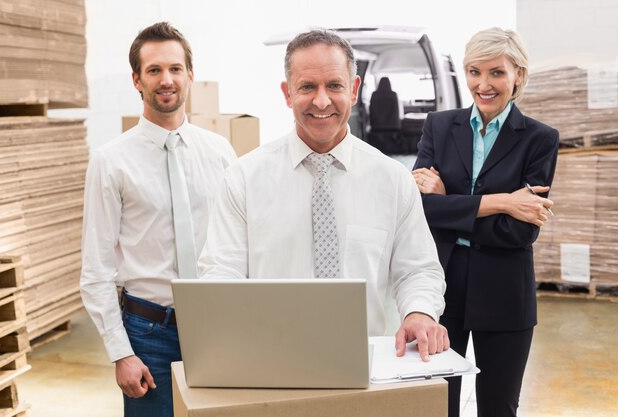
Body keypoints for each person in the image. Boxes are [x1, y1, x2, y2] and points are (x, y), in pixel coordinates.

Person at [198, 29, 449, 360]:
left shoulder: (392, 181)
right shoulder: (244, 179)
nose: (321, 101)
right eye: (307, 87)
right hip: (270, 360)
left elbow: (417, 268)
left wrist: (419, 312)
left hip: (363, 362)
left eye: (334, 85)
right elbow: (221, 272)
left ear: (354, 90)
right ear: (287, 94)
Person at [80, 22, 235, 417]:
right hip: (150, 335)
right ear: (137, 80)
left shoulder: (220, 152)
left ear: (190, 76)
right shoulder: (110, 161)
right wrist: (120, 353)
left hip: (218, 325)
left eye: (175, 69)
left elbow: (238, 241)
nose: (166, 80)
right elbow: (96, 270)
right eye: (153, 70)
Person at [411, 27, 559, 417]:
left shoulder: (540, 139)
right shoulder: (439, 127)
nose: (484, 84)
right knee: (435, 406)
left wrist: (450, 203)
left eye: (496, 73)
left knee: (497, 408)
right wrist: (503, 202)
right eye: (474, 72)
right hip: (442, 290)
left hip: (506, 294)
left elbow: (520, 230)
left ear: (518, 76)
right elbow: (421, 211)